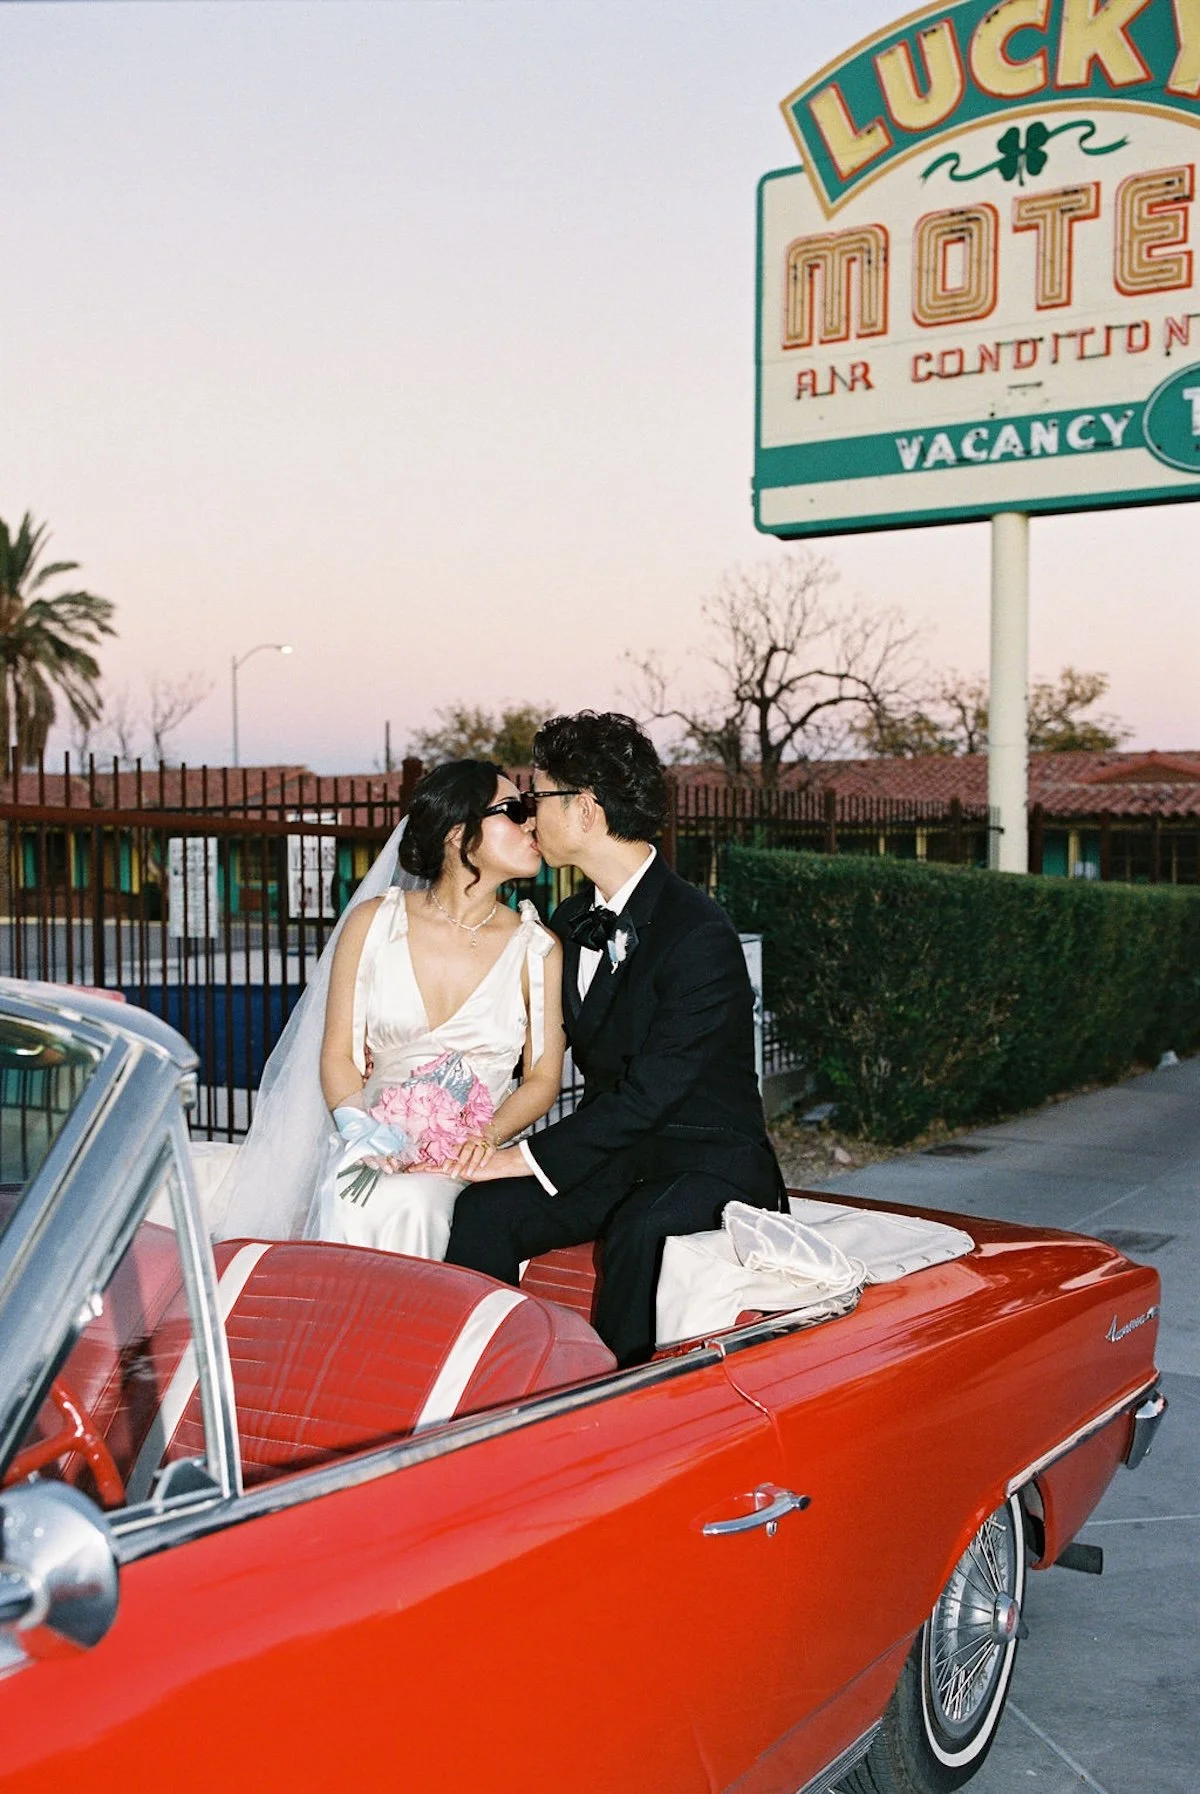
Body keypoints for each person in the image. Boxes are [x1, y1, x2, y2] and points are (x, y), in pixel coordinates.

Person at [446, 711, 786, 1365]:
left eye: (536, 798)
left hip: (706, 1159)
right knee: (486, 1213)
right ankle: (489, 1383)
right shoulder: (572, 919)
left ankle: (612, 1407)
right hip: (615, 1158)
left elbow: (652, 1094)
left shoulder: (698, 932)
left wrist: (524, 1157)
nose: (527, 816)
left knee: (643, 1228)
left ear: (585, 810)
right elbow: (524, 1041)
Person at [212, 761, 563, 1252]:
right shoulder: (373, 923)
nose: (531, 823)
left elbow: (543, 1078)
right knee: (355, 1195)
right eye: (514, 810)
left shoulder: (537, 947)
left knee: (417, 1202)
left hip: (468, 1158)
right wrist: (361, 1130)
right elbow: (339, 1054)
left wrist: (483, 1137)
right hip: (372, 1144)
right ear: (457, 831)